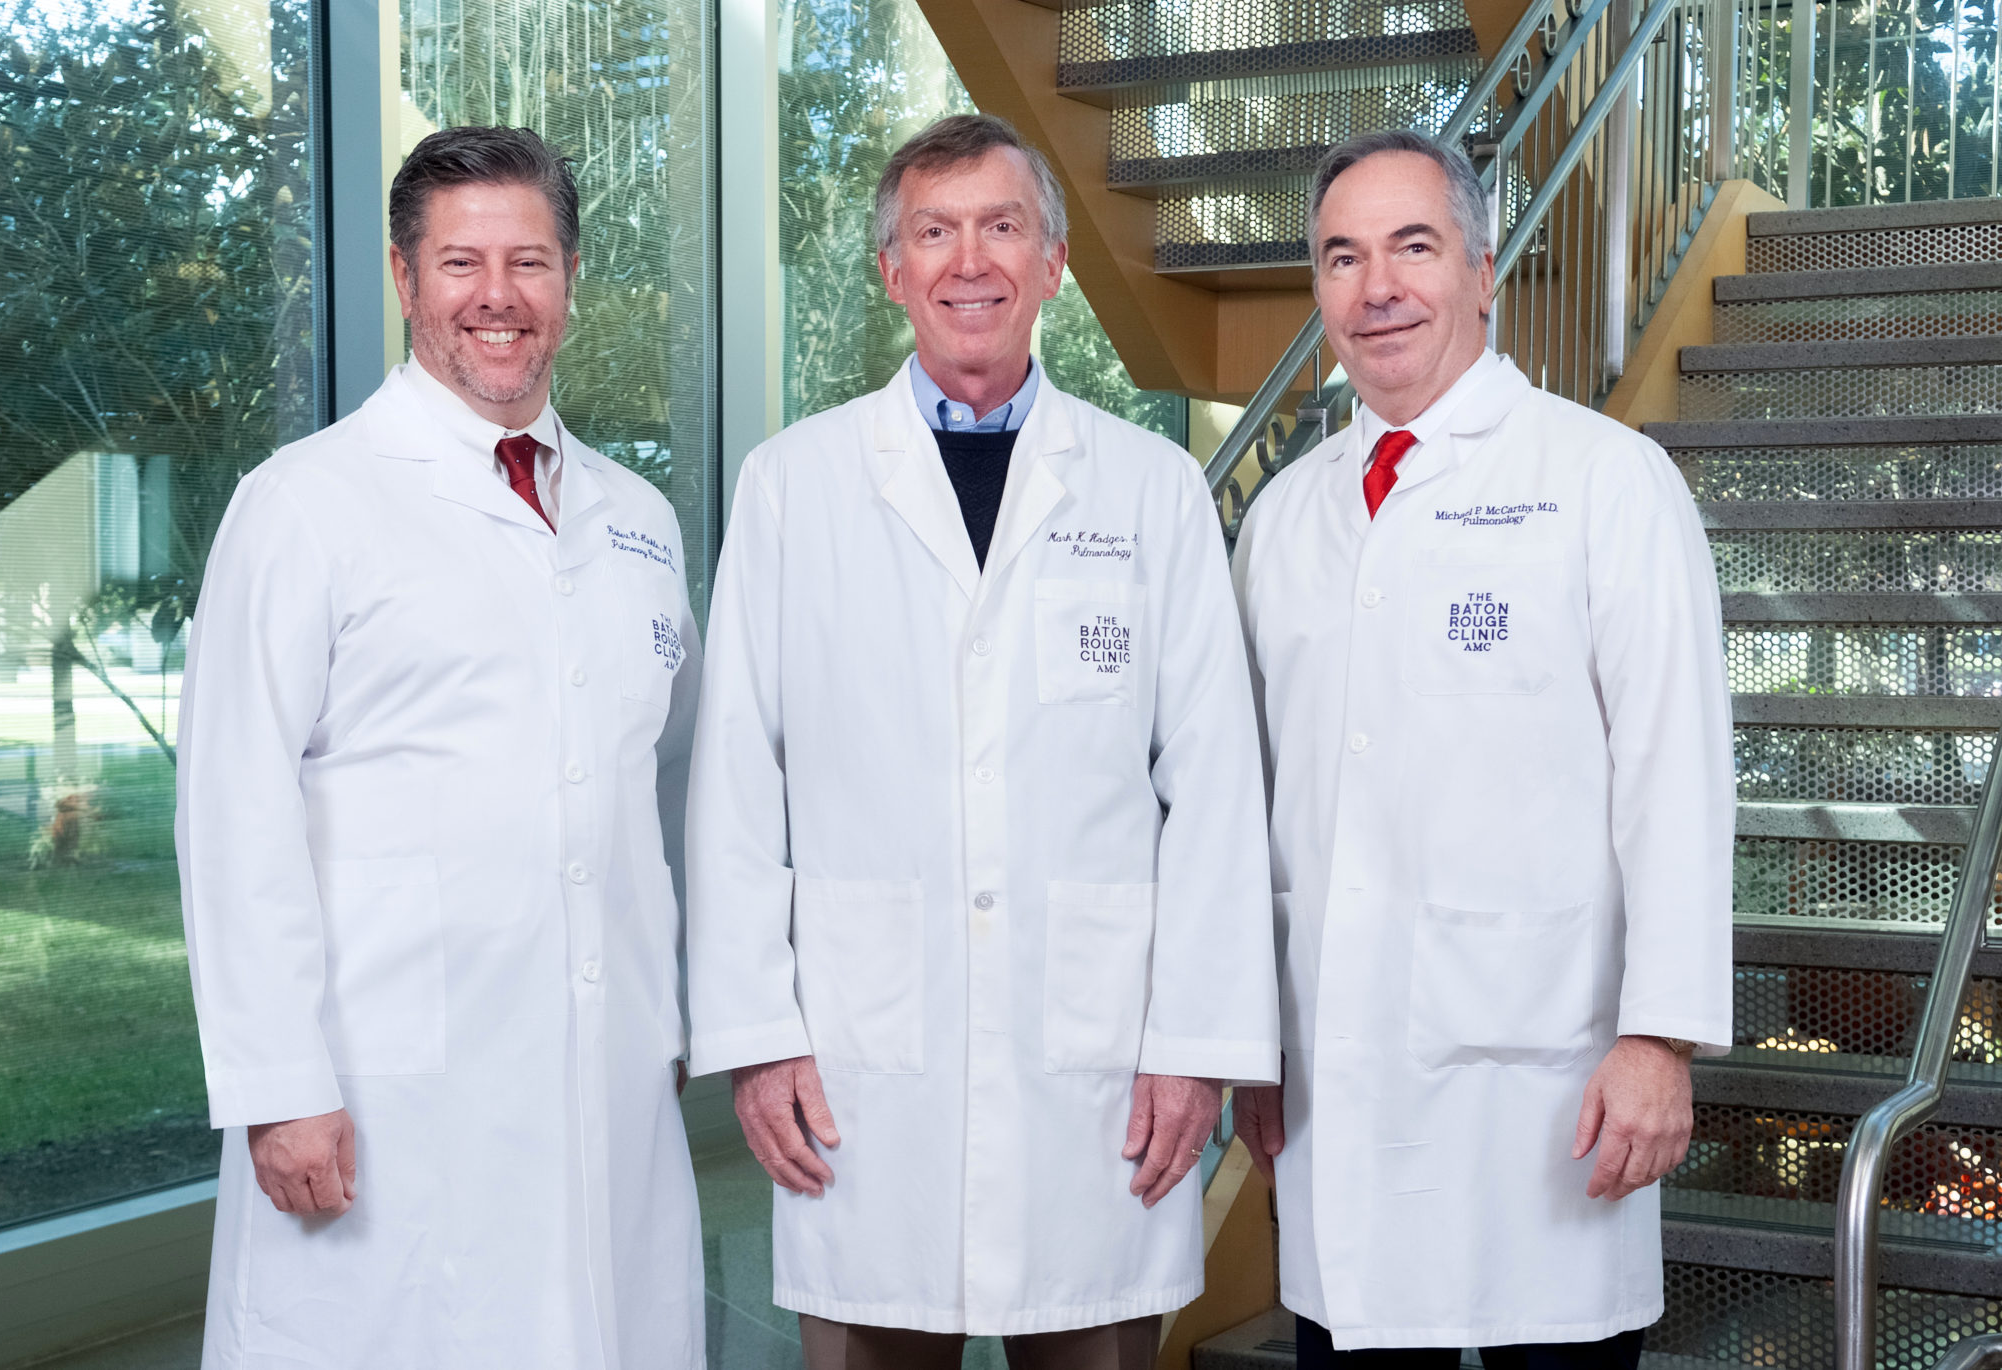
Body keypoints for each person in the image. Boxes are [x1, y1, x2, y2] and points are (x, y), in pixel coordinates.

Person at [685, 113, 1277, 1370]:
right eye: (933, 232)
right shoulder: (792, 484)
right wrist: (755, 1032)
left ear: (1053, 262)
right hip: (862, 1059)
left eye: (1002, 227)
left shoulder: (1145, 486)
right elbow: (737, 777)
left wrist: (1193, 1045)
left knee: (1094, 1341)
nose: (970, 261)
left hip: (1100, 1065)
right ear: (889, 268)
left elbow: (1217, 786)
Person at [178, 125, 704, 1369]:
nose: (497, 297)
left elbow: (660, 780)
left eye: (528, 260)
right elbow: (231, 806)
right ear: (407, 281)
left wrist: (665, 1009)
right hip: (381, 1084)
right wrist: (276, 1080)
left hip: (602, 1068)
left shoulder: (639, 521)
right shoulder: (305, 503)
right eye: (460, 262)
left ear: (571, 277)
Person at [1231, 128, 1734, 1368]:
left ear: (1482, 267)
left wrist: (1658, 1033)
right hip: (1330, 1085)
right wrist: (1238, 1033)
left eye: (1412, 246)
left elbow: (1676, 771)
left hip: (1548, 1082)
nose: (1376, 287)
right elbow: (1246, 801)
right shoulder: (1283, 516)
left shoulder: (1605, 480)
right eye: (1340, 257)